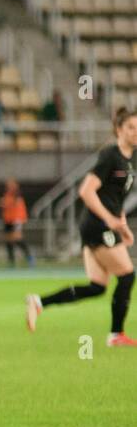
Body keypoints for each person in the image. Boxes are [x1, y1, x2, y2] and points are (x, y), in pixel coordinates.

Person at [27, 107, 137, 346]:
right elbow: (86, 190)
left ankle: (39, 302)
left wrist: (122, 226)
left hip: (99, 225)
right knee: (127, 276)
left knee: (97, 287)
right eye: (131, 127)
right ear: (119, 129)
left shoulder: (128, 161)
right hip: (97, 225)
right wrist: (109, 220)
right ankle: (116, 334)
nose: (136, 132)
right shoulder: (111, 156)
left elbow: (114, 199)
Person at [0, 178, 33, 267]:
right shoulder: (8, 194)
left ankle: (29, 256)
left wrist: (0, 202)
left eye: (10, 184)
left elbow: (10, 204)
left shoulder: (16, 195)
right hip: (8, 220)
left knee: (17, 238)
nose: (8, 185)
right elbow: (5, 204)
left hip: (16, 220)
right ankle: (11, 260)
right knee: (8, 240)